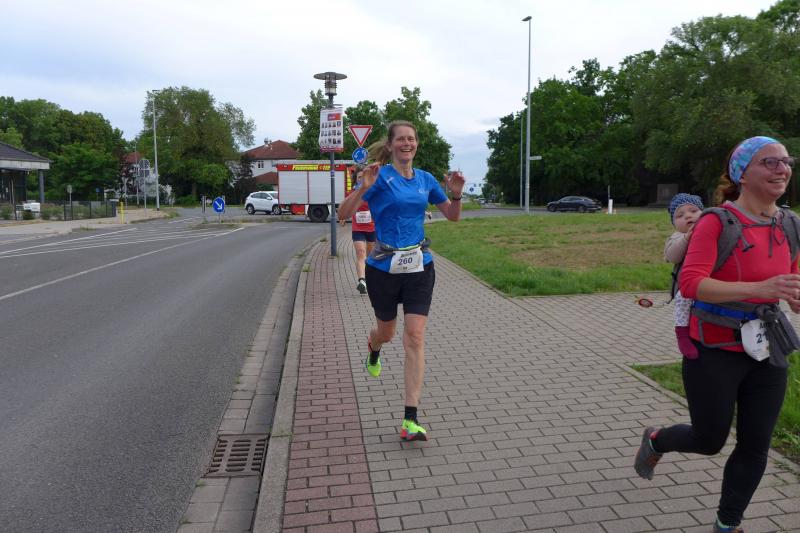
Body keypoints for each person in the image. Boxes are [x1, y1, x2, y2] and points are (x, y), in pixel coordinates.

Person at [634, 136, 800, 533]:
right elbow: (692, 283)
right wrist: (760, 289)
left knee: (756, 443)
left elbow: (793, 280)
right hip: (714, 348)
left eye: (786, 161)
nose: (782, 169)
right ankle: (657, 439)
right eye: (769, 162)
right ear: (742, 173)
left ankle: (728, 524)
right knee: (709, 440)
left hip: (767, 348)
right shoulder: (716, 221)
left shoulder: (791, 223)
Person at [337, 120, 465, 441]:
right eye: (401, 139)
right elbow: (342, 214)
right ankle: (374, 346)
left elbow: (452, 215)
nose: (407, 143)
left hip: (420, 266)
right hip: (383, 269)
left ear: (416, 144)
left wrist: (456, 195)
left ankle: (410, 419)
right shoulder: (378, 177)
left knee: (415, 336)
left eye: (411, 139)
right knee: (388, 332)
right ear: (391, 145)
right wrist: (363, 188)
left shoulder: (425, 179)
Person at [664, 193, 705, 358]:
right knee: (683, 300)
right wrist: (687, 238)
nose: (688, 216)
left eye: (693, 211)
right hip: (686, 282)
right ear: (674, 224)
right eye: (680, 215)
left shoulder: (711, 231)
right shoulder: (677, 237)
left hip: (709, 280)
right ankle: (682, 334)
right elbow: (672, 256)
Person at [341, 165, 376, 294]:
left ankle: (370, 279)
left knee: (370, 257)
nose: (361, 179)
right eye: (359, 177)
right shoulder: (353, 193)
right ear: (356, 179)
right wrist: (344, 216)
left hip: (372, 228)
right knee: (361, 253)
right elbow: (347, 207)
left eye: (364, 177)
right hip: (358, 228)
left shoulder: (373, 192)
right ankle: (362, 280)